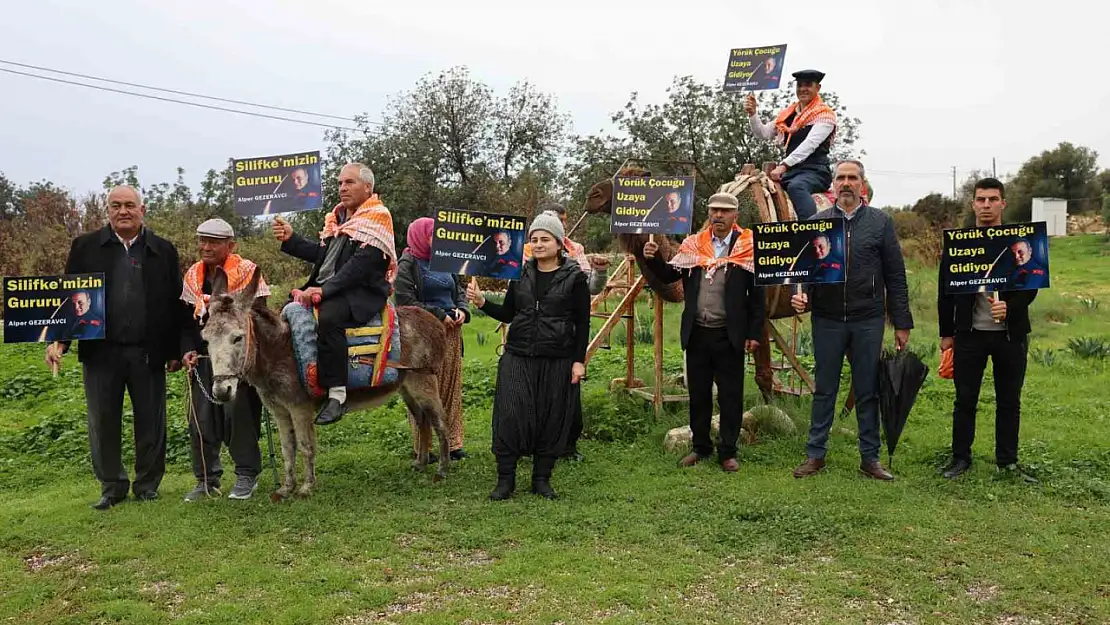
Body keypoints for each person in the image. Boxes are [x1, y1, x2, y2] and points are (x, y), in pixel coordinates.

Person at [44, 185, 191, 510]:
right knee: (103, 420)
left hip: (148, 351)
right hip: (101, 353)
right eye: (115, 206)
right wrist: (59, 341)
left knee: (152, 422)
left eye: (129, 205)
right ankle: (112, 487)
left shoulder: (163, 250)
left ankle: (147, 485)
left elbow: (178, 302)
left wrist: (178, 349)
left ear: (143, 209)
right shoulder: (84, 247)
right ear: (106, 210)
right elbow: (69, 301)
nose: (122, 211)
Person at [790, 160, 913, 481]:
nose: (846, 183)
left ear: (863, 184)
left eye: (852, 178)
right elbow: (802, 272)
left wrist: (902, 322)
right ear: (832, 185)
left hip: (868, 318)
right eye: (841, 178)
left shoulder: (880, 223)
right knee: (824, 389)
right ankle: (815, 454)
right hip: (827, 318)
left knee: (868, 389)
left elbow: (895, 276)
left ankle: (869, 459)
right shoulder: (815, 223)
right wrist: (801, 295)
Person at [465, 211, 590, 500]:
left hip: (557, 357)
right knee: (510, 415)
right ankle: (505, 480)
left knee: (552, 417)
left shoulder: (574, 278)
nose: (538, 244)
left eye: (545, 239)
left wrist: (578, 360)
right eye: (534, 239)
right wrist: (483, 302)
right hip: (518, 354)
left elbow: (582, 322)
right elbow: (509, 313)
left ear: (559, 244)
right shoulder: (519, 273)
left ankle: (541, 479)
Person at [642, 192, 764, 471]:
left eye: (724, 211)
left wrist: (754, 334)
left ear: (735, 216)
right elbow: (669, 275)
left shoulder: (747, 246)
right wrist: (653, 259)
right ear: (708, 214)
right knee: (698, 394)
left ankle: (728, 451)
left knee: (731, 395)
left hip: (729, 334)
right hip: (697, 332)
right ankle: (700, 447)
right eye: (714, 211)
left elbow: (757, 297)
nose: (718, 216)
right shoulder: (694, 245)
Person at [272, 162, 397, 426]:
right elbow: (324, 256)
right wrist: (291, 239)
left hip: (360, 292)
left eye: (349, 182)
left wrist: (324, 290)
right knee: (284, 314)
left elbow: (360, 266)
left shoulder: (378, 216)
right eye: (340, 183)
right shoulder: (338, 218)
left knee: (329, 317)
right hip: (334, 288)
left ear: (367, 187)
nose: (342, 188)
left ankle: (337, 394)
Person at [939, 178, 1039, 481]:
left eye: (992, 199)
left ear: (1003, 203)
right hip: (970, 334)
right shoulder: (959, 245)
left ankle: (1007, 461)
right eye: (980, 199)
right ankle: (960, 458)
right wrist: (947, 333)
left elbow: (1031, 284)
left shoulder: (1020, 241)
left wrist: (1011, 307)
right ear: (973, 204)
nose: (986, 205)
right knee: (965, 399)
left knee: (1009, 400)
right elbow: (945, 291)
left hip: (1011, 335)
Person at [179, 218, 268, 502]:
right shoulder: (193, 276)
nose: (206, 247)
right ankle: (206, 478)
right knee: (201, 418)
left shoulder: (246, 273)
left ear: (231, 245)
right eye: (202, 240)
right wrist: (187, 349)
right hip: (204, 356)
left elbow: (260, 316)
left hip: (235, 358)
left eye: (214, 242)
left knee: (238, 415)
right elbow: (184, 320)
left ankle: (246, 474)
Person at [522, 204, 608, 461]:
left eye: (562, 220)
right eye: (554, 219)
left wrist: (601, 272)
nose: (561, 223)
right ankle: (533, 444)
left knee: (567, 393)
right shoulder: (527, 250)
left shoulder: (576, 250)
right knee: (532, 391)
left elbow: (588, 287)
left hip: (563, 333)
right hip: (530, 332)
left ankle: (567, 445)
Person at [394, 217, 470, 462]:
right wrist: (439, 315)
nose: (436, 239)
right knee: (424, 389)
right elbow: (405, 300)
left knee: (450, 386)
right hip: (422, 336)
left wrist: (462, 310)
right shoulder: (408, 263)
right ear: (419, 235)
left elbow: (458, 290)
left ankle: (453, 443)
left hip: (450, 333)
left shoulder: (445, 259)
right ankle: (423, 445)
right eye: (431, 234)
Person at [745, 69, 837, 220]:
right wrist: (753, 114)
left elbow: (810, 144)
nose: (803, 89)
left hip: (815, 172)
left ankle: (811, 233)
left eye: (808, 85)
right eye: (799, 85)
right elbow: (763, 133)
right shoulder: (788, 115)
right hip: (790, 173)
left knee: (797, 187)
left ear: (817, 88)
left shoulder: (825, 115)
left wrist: (783, 165)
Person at [524, 202, 609, 295]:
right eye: (560, 220)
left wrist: (600, 271)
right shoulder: (524, 251)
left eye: (565, 220)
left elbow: (590, 287)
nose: (565, 225)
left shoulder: (575, 249)